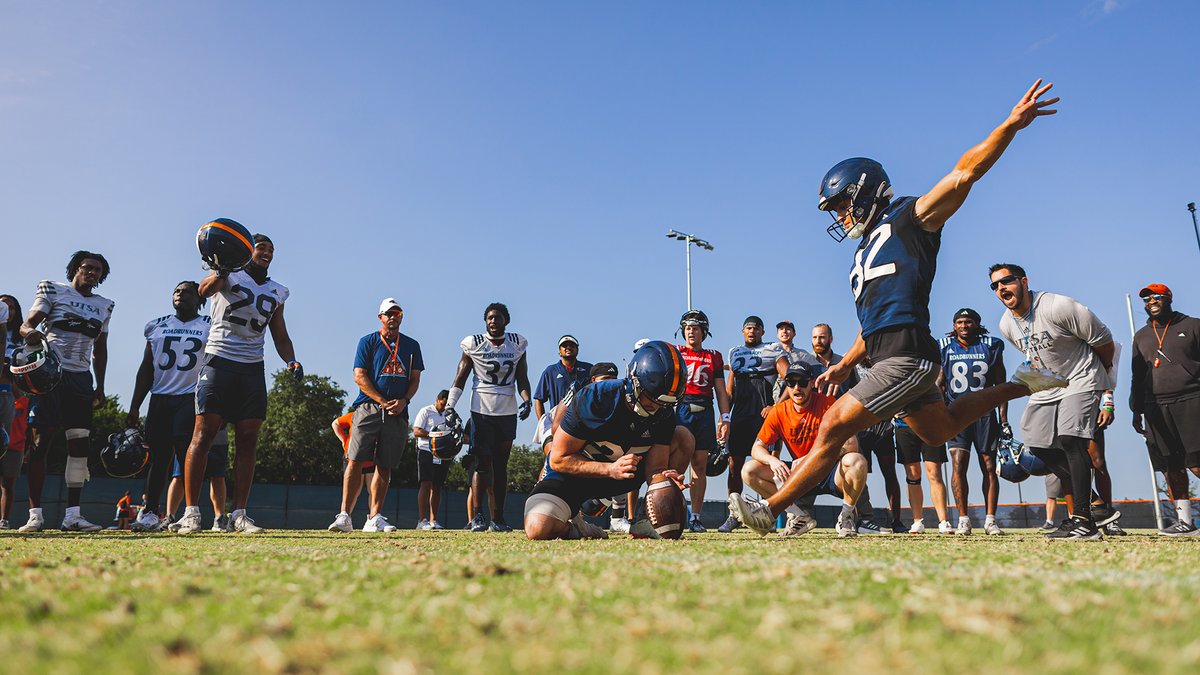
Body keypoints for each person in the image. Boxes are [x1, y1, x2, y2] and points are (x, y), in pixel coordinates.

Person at [730, 80, 1067, 534]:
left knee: (831, 426)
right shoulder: (863, 251)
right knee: (940, 428)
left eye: (843, 205)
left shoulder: (910, 220)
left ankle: (770, 511)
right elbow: (871, 328)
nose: (840, 216)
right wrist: (844, 363)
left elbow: (964, 173)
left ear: (866, 193)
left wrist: (1010, 125)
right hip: (890, 354)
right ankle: (1024, 384)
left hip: (906, 354)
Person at [176, 233, 302, 535]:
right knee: (203, 435)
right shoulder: (228, 273)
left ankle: (239, 513)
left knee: (248, 440)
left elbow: (279, 333)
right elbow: (203, 292)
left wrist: (291, 360)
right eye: (261, 247)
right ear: (247, 250)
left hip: (251, 369)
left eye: (272, 249)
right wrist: (221, 268)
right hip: (219, 361)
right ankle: (191, 512)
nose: (267, 252)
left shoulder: (278, 290)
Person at [991, 263, 1118, 540]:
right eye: (995, 285)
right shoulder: (1006, 324)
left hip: (1081, 377)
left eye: (1007, 281)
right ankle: (1095, 504)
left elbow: (1104, 341)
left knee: (1072, 440)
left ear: (1024, 282)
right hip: (1049, 385)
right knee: (1035, 447)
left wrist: (1106, 387)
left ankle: (1083, 521)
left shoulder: (1058, 306)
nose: (1001, 288)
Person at [523, 341, 692, 540]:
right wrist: (609, 469)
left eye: (666, 403)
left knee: (683, 437)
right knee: (538, 528)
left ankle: (645, 520)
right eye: (653, 399)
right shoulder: (595, 398)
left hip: (622, 478)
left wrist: (663, 481)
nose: (658, 407)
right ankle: (580, 528)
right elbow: (559, 458)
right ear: (635, 382)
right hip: (573, 477)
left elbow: (655, 468)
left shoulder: (663, 411)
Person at [19, 251, 116, 532]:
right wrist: (29, 333)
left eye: (98, 269)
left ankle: (73, 515)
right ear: (76, 268)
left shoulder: (105, 305)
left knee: (79, 445)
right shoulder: (53, 290)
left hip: (80, 379)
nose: (92, 272)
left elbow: (101, 348)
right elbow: (27, 325)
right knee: (40, 442)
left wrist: (101, 385)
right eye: (88, 267)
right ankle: (35, 514)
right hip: (51, 374)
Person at [741, 363, 869, 537]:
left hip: (830, 471)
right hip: (799, 474)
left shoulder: (828, 404)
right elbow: (757, 448)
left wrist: (814, 457)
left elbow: (851, 444)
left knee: (857, 460)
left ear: (812, 383)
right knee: (749, 470)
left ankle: (846, 517)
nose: (796, 387)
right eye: (791, 382)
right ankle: (798, 516)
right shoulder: (778, 411)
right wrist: (773, 461)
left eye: (802, 382)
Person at [125, 281, 211, 532]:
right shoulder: (156, 325)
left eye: (187, 291)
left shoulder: (209, 325)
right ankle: (150, 511)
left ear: (199, 298)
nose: (180, 294)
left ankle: (189, 513)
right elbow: (146, 369)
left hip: (189, 397)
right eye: (176, 290)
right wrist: (134, 406)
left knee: (187, 456)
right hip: (160, 397)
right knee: (158, 458)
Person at [335, 298, 423, 534]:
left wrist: (404, 401)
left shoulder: (411, 345)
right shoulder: (368, 341)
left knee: (385, 464)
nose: (393, 317)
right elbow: (359, 376)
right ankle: (344, 515)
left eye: (397, 312)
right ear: (380, 317)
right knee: (354, 459)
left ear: (402, 316)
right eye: (388, 313)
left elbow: (415, 378)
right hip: (368, 407)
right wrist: (382, 400)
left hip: (398, 409)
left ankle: (374, 517)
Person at [446, 302, 532, 532]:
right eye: (490, 318)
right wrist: (450, 405)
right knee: (482, 464)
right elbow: (461, 376)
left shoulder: (517, 344)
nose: (493, 321)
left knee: (502, 466)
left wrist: (527, 399)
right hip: (482, 409)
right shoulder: (474, 343)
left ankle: (499, 518)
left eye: (498, 317)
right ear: (485, 321)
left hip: (507, 409)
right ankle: (477, 516)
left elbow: (522, 377)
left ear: (506, 320)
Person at [1130, 283, 1200, 535]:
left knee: (1196, 464)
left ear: (1168, 298)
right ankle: (1186, 522)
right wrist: (1135, 408)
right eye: (1146, 299)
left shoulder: (1193, 325)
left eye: (1156, 297)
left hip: (1191, 400)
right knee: (1172, 466)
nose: (1151, 301)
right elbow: (1137, 376)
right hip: (1155, 407)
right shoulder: (1141, 336)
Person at [937, 308, 1006, 535]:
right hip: (956, 413)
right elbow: (939, 384)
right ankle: (963, 519)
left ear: (976, 324)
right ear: (954, 325)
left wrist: (1003, 419)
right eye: (959, 322)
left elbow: (1001, 386)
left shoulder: (991, 345)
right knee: (958, 464)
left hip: (985, 414)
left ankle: (990, 520)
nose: (964, 326)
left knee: (988, 466)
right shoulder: (945, 346)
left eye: (968, 322)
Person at [720, 315, 786, 532]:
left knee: (765, 466)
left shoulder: (774, 349)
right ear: (742, 331)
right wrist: (724, 416)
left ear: (762, 332)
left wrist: (777, 406)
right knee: (734, 466)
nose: (752, 331)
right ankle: (734, 514)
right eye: (748, 328)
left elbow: (789, 377)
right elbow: (730, 390)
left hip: (763, 415)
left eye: (756, 328)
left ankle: (769, 513)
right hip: (740, 415)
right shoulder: (735, 351)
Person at [675, 310, 731, 533]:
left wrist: (725, 418)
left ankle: (695, 517)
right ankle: (673, 512)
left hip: (704, 410)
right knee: (677, 465)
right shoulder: (676, 351)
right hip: (681, 407)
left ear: (704, 332)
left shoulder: (713, 356)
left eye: (695, 328)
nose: (691, 331)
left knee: (700, 464)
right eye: (687, 328)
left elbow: (720, 390)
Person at [165, 425, 230, 531]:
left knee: (217, 476)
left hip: (217, 434)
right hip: (189, 436)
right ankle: (170, 517)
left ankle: (219, 519)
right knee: (179, 476)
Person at [894, 417, 952, 534]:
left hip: (932, 425)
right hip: (904, 425)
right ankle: (917, 522)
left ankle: (943, 522)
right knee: (912, 475)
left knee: (934, 473)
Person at [327, 411, 375, 531]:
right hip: (352, 456)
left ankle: (373, 519)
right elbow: (335, 424)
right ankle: (345, 517)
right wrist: (343, 440)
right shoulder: (354, 415)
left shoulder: (379, 417)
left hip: (372, 457)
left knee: (373, 490)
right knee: (353, 490)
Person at [412, 390, 453, 530]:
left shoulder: (449, 414)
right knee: (426, 483)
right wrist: (434, 435)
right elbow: (416, 431)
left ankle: (433, 520)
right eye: (443, 403)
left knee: (437, 486)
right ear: (438, 399)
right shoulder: (426, 411)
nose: (444, 407)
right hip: (426, 450)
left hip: (441, 454)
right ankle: (421, 520)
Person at [532, 335, 592, 423]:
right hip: (559, 421)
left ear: (577, 350)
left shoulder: (589, 369)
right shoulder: (551, 371)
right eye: (565, 345)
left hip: (584, 420)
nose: (568, 347)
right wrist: (543, 424)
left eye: (572, 345)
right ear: (560, 351)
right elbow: (539, 399)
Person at [771, 321, 820, 401]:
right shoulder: (770, 352)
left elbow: (819, 370)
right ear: (777, 334)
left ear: (794, 334)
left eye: (788, 329)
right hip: (772, 398)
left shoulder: (803, 355)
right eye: (781, 329)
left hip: (795, 399)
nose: (784, 331)